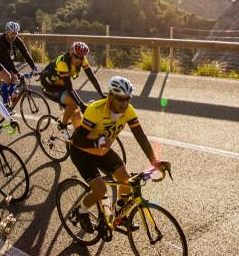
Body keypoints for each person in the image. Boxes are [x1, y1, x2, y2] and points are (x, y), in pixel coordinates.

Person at [71, 76, 169, 232]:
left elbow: (141, 137)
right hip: (82, 152)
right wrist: (96, 143)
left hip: (102, 151)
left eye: (127, 99)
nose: (124, 103)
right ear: (110, 97)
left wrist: (154, 161)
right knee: (100, 189)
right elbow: (76, 140)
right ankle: (80, 211)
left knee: (127, 182)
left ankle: (119, 215)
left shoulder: (128, 110)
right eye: (120, 99)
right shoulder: (95, 110)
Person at [39, 41, 104, 136]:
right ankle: (62, 125)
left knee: (77, 115)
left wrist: (101, 93)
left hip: (62, 85)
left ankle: (76, 140)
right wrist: (82, 105)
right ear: (71, 53)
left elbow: (92, 77)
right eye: (76, 56)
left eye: (81, 57)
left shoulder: (82, 60)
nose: (78, 60)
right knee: (74, 103)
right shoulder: (63, 62)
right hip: (49, 86)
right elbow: (70, 88)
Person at [0, 21, 38, 107]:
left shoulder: (16, 39)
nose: (13, 35)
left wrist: (34, 67)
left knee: (15, 79)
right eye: (11, 33)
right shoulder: (1, 42)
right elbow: (8, 60)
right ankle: (5, 104)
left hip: (2, 60)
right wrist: (16, 72)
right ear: (6, 32)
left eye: (15, 33)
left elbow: (25, 54)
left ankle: (8, 93)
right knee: (8, 78)